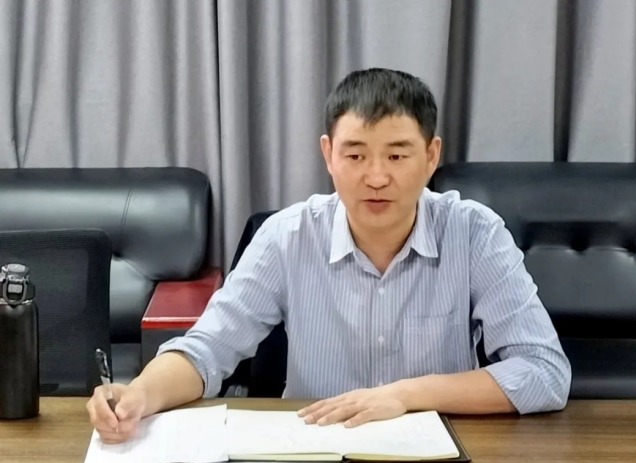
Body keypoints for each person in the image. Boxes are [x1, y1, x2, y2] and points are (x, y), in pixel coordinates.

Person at [87, 68, 571, 443]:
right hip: (314, 452)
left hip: (440, 453)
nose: (376, 177)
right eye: (356, 155)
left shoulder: (475, 234)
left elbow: (544, 372)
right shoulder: (286, 237)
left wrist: (405, 395)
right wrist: (139, 394)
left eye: (397, 155)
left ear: (431, 155)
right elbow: (206, 350)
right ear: (328, 154)